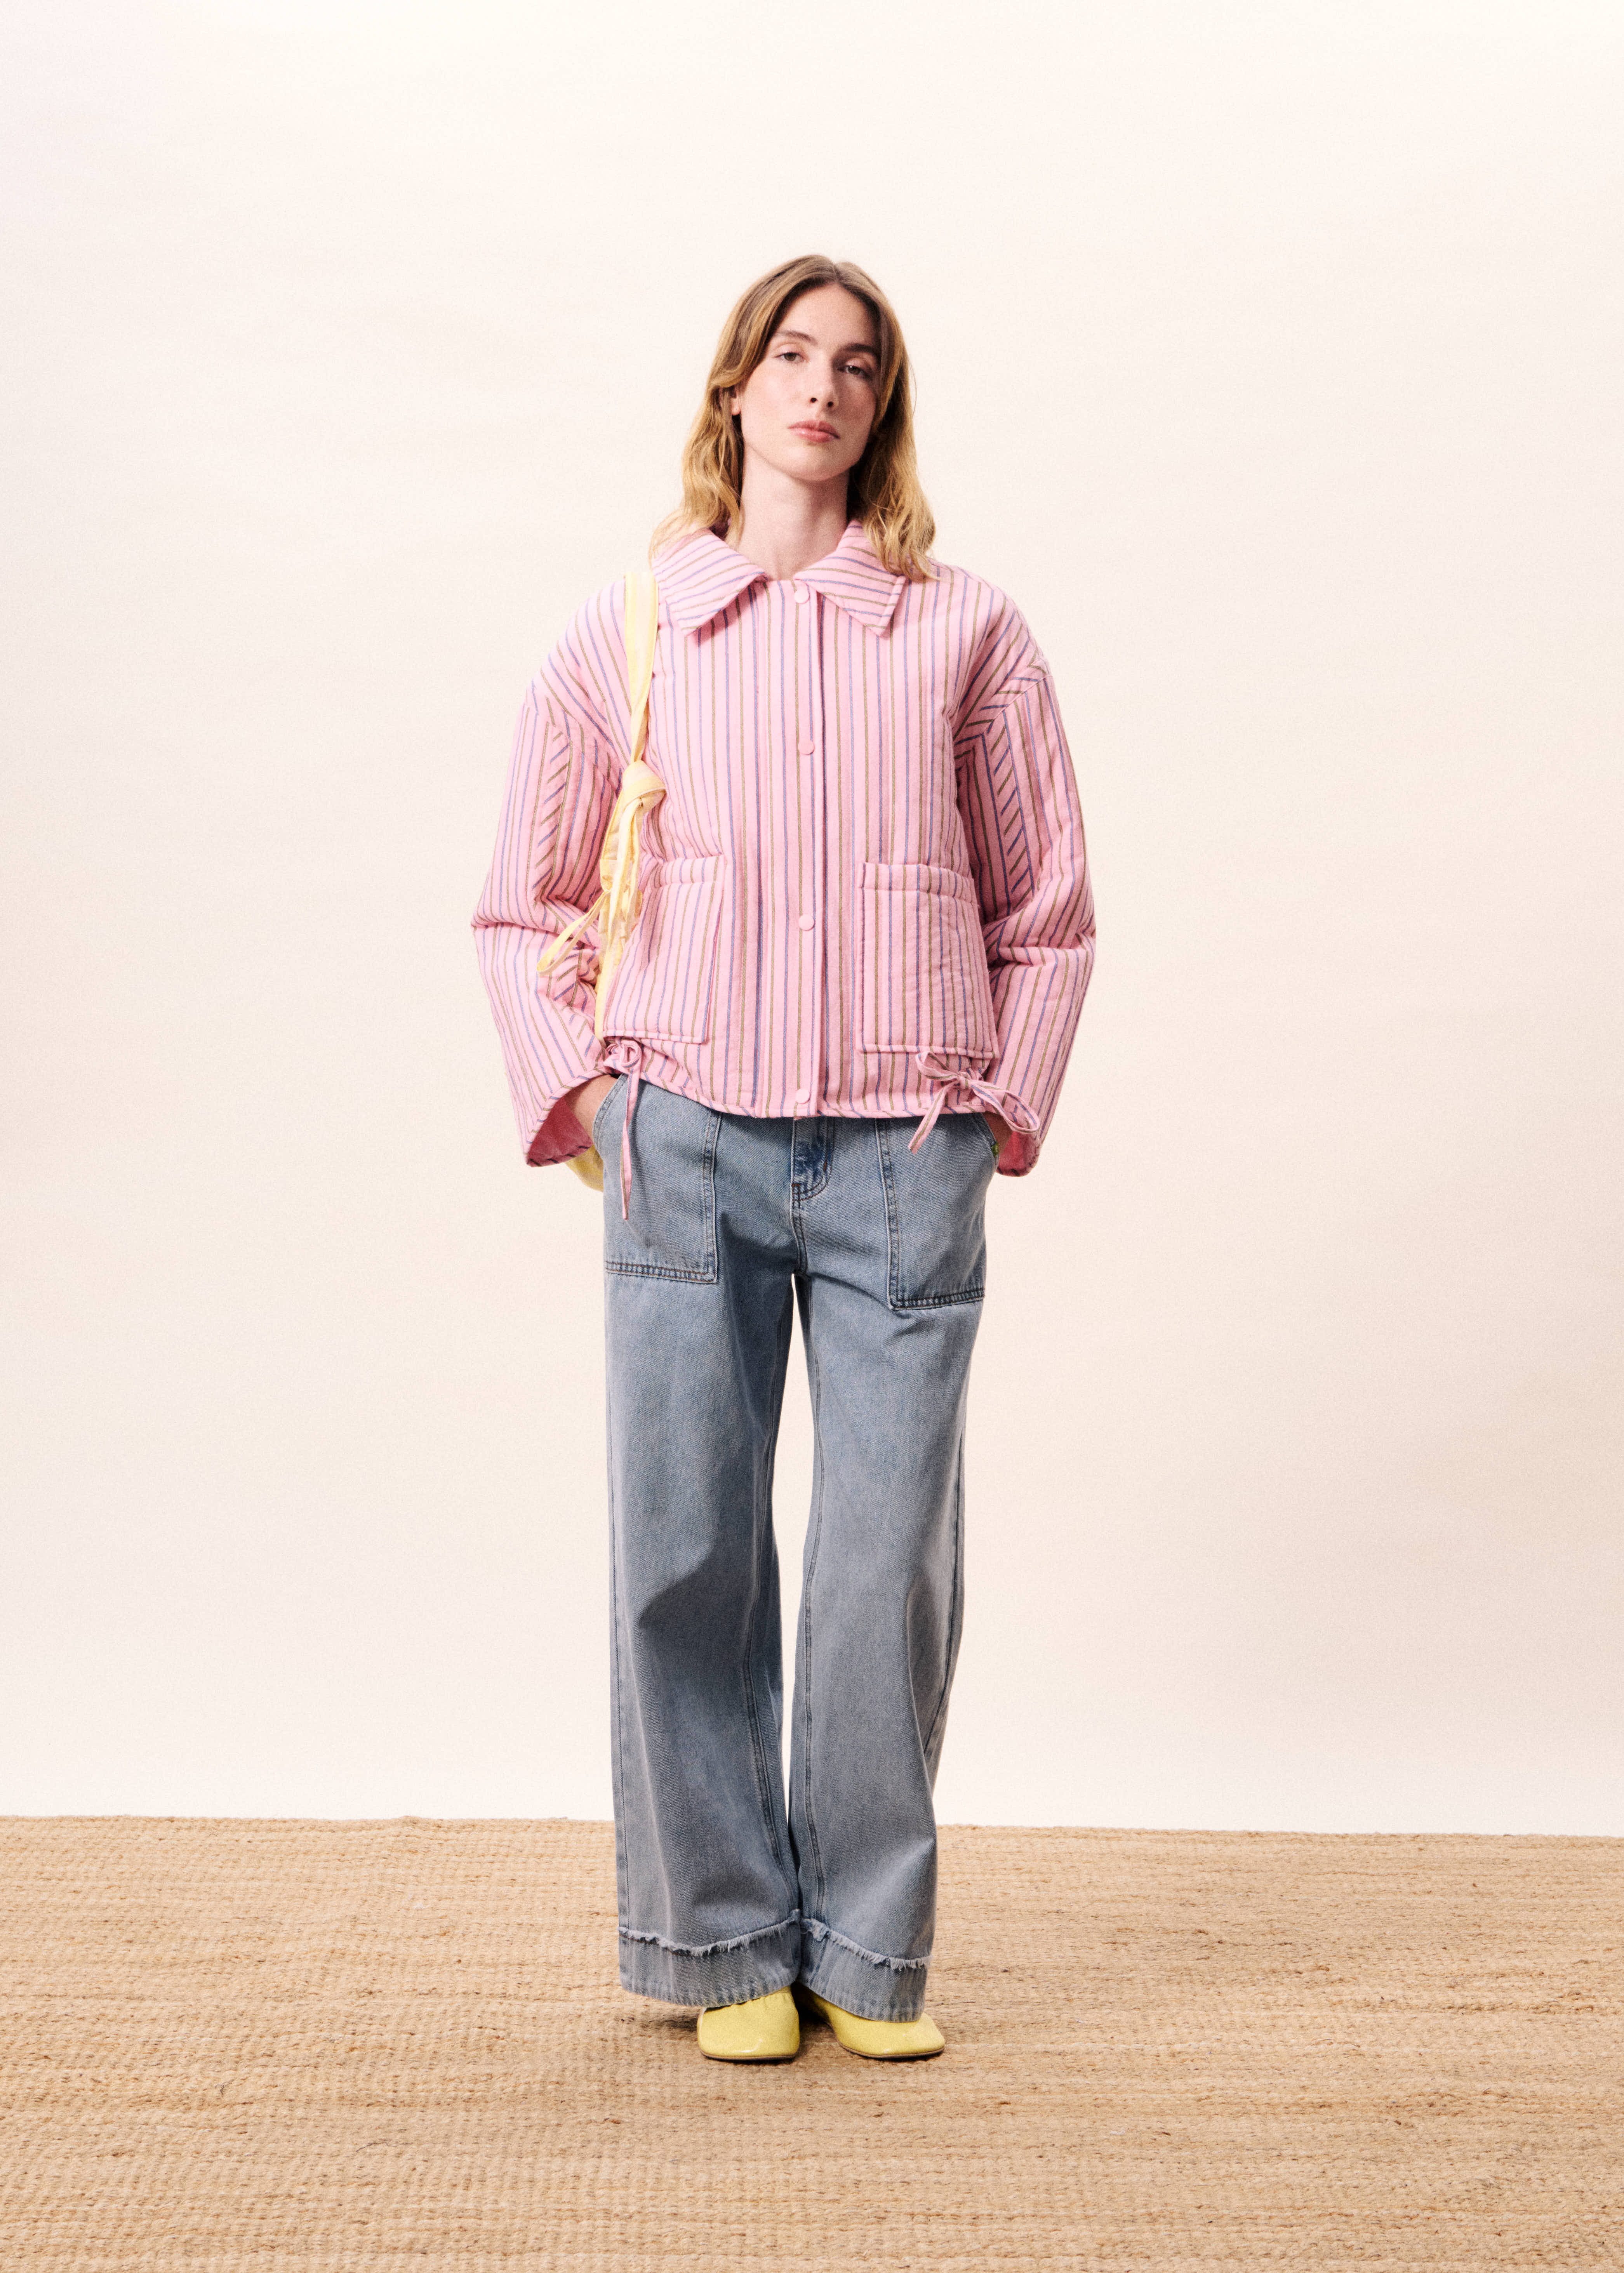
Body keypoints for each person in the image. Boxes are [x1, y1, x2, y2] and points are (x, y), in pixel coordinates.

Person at [474, 255, 1094, 2063]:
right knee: (685, 1553)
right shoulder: (630, 635)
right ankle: (721, 1940)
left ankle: (865, 1947)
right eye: (792, 356)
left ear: (882, 406)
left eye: (858, 366)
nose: (821, 389)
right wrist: (593, 1100)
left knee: (884, 1564)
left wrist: (993, 1112)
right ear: (735, 386)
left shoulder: (966, 633)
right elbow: (518, 906)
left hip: (905, 1151)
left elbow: (1045, 911)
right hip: (685, 1138)